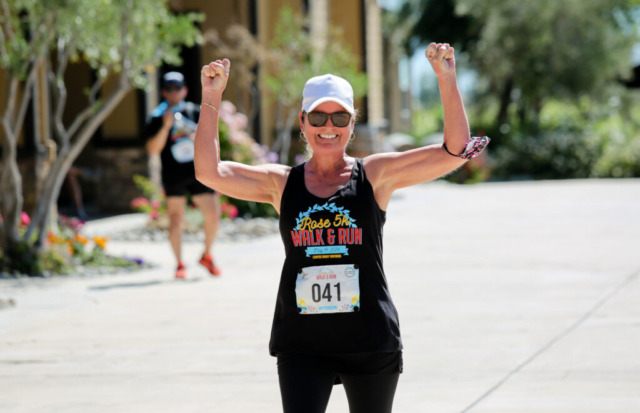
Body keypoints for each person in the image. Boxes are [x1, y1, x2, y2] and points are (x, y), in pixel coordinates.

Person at [194, 43, 490, 413]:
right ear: (303, 122)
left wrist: (446, 78)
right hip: (302, 344)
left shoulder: (375, 175)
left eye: (340, 117)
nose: (328, 127)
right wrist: (211, 97)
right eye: (318, 117)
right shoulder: (282, 183)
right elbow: (209, 172)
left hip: (369, 339)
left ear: (352, 123)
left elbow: (455, 150)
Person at [145, 71, 222, 279]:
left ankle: (207, 255)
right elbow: (152, 149)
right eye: (169, 89)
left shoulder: (195, 112)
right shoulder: (156, 116)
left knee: (213, 215)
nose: (173, 93)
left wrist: (196, 136)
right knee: (176, 219)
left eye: (177, 88)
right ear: (163, 92)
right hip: (173, 174)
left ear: (184, 90)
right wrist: (166, 127)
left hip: (199, 172)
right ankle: (179, 264)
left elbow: (211, 140)